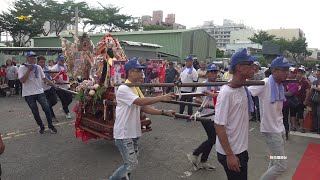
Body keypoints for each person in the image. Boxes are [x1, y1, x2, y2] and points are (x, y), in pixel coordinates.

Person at [109, 57, 176, 180]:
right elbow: (140, 101)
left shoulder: (136, 88)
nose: (141, 73)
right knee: (131, 164)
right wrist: (162, 97)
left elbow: (144, 107)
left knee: (131, 164)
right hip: (124, 134)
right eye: (138, 71)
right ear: (129, 72)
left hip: (133, 132)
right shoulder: (124, 88)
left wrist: (163, 112)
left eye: (141, 71)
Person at [214, 48, 259, 180]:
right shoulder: (227, 93)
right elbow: (219, 125)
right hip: (231, 152)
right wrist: (230, 155)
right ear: (239, 67)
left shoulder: (242, 87)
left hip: (240, 149)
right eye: (250, 65)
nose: (254, 68)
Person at [248, 56, 291, 180]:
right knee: (281, 166)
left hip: (280, 128)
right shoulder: (266, 83)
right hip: (271, 130)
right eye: (283, 70)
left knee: (275, 161)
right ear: (274, 71)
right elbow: (246, 92)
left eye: (287, 70)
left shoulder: (279, 85)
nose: (286, 73)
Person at [187, 63, 219, 171]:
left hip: (215, 115)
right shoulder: (203, 84)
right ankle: (195, 154)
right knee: (213, 138)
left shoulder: (219, 84)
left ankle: (203, 161)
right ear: (207, 73)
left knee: (212, 139)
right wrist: (206, 104)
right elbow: (197, 98)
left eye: (215, 72)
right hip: (205, 115)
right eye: (212, 72)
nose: (214, 74)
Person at [18, 51, 58, 134]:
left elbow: (44, 78)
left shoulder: (38, 67)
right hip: (28, 94)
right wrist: (29, 70)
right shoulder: (22, 68)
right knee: (35, 111)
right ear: (27, 59)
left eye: (34, 58)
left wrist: (53, 85)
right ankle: (41, 126)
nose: (33, 60)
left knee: (46, 108)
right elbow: (22, 81)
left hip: (39, 91)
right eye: (31, 58)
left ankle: (50, 125)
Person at [51, 54, 73, 119]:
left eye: (63, 60)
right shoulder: (54, 67)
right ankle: (67, 112)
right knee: (63, 100)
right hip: (59, 86)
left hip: (66, 85)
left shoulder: (66, 66)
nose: (62, 61)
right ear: (58, 60)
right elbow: (53, 75)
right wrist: (58, 80)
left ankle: (64, 107)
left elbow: (69, 73)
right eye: (61, 60)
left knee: (70, 99)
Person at [290, 66, 310, 133]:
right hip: (292, 100)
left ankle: (301, 127)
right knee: (292, 114)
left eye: (300, 73)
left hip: (301, 100)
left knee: (300, 114)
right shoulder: (293, 80)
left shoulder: (305, 82)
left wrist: (305, 101)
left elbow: (308, 92)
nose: (299, 74)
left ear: (303, 74)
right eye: (298, 73)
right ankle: (293, 126)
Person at [37, 56, 58, 120]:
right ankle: (52, 116)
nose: (42, 63)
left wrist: (53, 76)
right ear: (37, 62)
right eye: (41, 62)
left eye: (43, 62)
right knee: (47, 104)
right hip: (41, 90)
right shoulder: (36, 69)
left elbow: (53, 75)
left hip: (49, 88)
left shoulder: (47, 68)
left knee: (54, 101)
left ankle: (47, 108)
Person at [283, 67, 299, 140]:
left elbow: (290, 93)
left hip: (286, 104)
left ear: (295, 74)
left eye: (291, 72)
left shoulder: (295, 82)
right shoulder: (284, 80)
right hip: (280, 103)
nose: (289, 73)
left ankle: (286, 134)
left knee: (285, 119)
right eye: (289, 72)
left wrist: (279, 93)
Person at [310, 68, 320, 134]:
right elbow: (311, 89)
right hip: (314, 100)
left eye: (318, 72)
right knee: (314, 114)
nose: (316, 73)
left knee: (319, 114)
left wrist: (315, 87)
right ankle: (315, 127)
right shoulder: (315, 81)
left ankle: (318, 128)